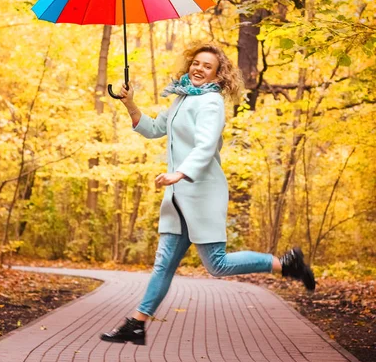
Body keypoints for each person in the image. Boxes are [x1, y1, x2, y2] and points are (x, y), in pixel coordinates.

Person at [100, 44, 315, 346]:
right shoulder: (182, 98)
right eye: (196, 63)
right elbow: (152, 128)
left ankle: (285, 263)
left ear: (217, 74)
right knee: (163, 265)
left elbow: (205, 146)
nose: (199, 69)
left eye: (207, 66)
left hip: (202, 192)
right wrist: (129, 103)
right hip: (178, 198)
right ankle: (137, 323)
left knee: (217, 265)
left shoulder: (211, 102)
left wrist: (180, 173)